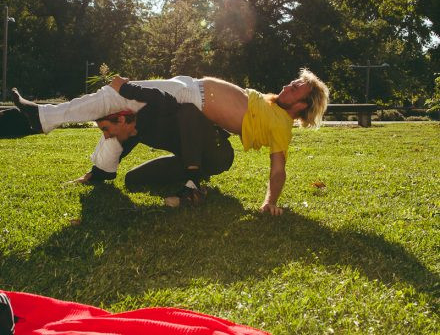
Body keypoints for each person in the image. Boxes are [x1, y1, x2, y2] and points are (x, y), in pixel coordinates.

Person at [12, 69, 329, 215]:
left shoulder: (282, 127)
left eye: (299, 86)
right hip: (188, 88)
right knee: (119, 104)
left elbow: (278, 168)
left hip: (190, 96)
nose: (291, 83)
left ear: (305, 103)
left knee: (116, 94)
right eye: (295, 80)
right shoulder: (272, 106)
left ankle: (44, 118)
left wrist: (269, 201)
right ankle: (100, 167)